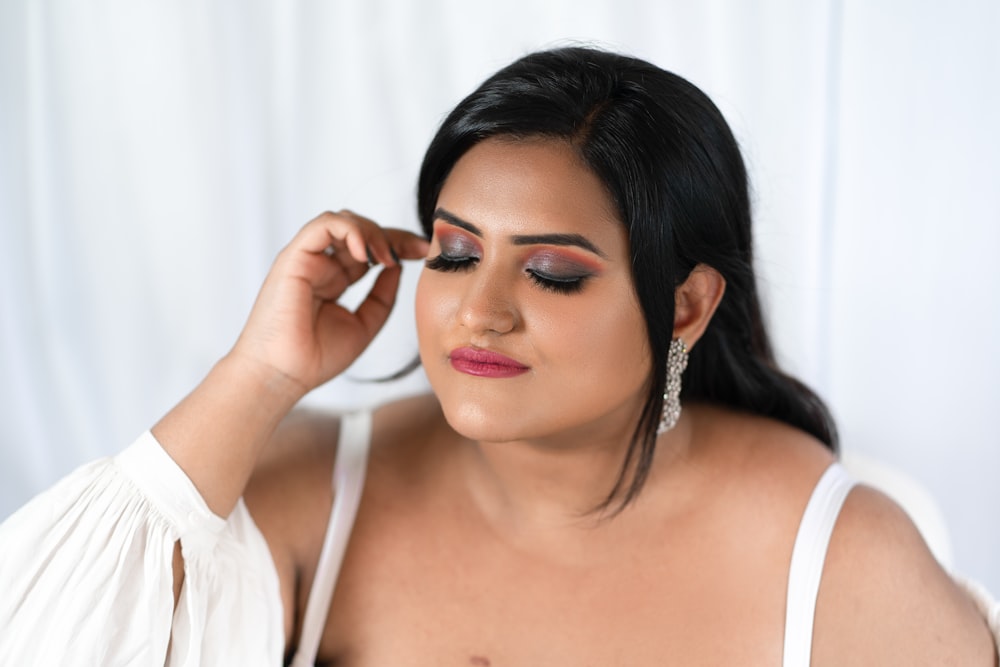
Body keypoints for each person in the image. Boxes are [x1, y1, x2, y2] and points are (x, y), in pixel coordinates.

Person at [0, 46, 996, 666]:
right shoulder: (317, 484)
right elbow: (42, 642)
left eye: (553, 274)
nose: (478, 312)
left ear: (686, 304)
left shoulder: (841, 559)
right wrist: (258, 375)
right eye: (458, 252)